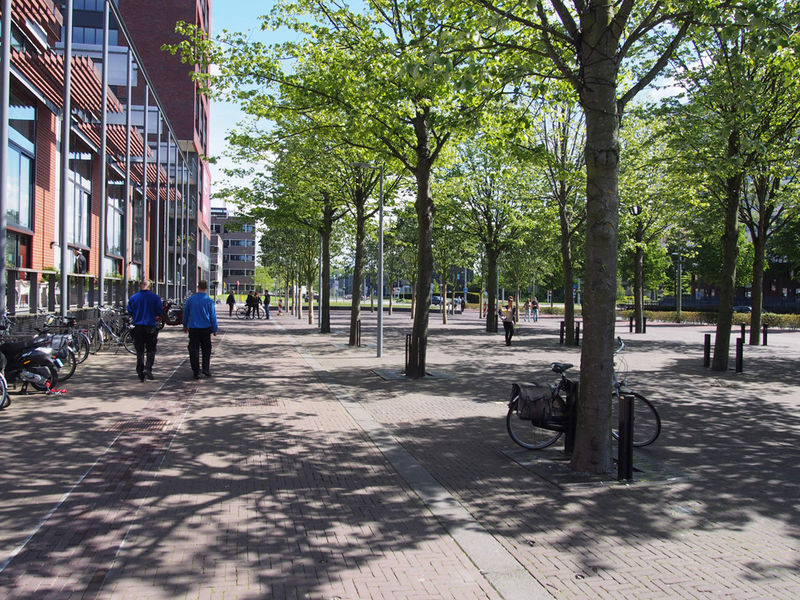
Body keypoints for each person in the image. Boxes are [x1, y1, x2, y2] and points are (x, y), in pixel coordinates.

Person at [126, 279, 163, 381]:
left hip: (138, 327)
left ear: (141, 286)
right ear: (150, 287)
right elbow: (159, 312)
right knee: (151, 349)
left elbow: (129, 311)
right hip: (150, 327)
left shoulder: (134, 297)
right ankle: (148, 368)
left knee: (140, 351)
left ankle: (140, 371)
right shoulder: (155, 298)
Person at [183, 280, 218, 379]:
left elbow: (186, 313)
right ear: (206, 288)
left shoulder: (190, 300)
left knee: (194, 350)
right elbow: (213, 316)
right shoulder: (209, 300)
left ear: (198, 287)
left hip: (194, 328)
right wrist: (214, 328)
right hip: (206, 329)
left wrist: (185, 325)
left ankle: (196, 371)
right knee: (206, 349)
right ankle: (205, 368)